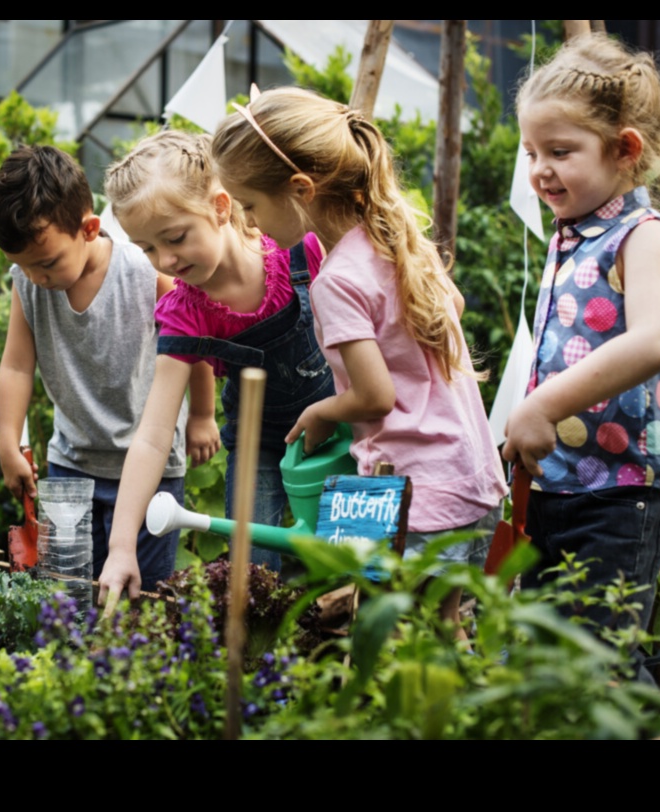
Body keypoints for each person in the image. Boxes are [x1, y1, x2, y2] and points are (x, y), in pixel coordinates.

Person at [211, 87, 508, 641]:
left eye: (249, 205)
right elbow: (454, 306)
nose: (249, 224)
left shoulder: (338, 280)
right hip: (470, 473)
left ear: (301, 189)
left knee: (397, 639)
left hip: (413, 493)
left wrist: (323, 409)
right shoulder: (395, 241)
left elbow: (373, 396)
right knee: (446, 630)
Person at [502, 34, 660, 644]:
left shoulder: (643, 234)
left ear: (624, 149)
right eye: (530, 152)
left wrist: (542, 405)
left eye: (559, 151)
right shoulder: (569, 234)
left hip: (621, 491)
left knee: (597, 661)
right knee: (550, 657)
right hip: (560, 481)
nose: (539, 170)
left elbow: (656, 339)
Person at [99, 131, 336, 602]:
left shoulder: (300, 250)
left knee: (351, 565)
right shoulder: (186, 311)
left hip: (344, 432)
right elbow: (151, 435)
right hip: (259, 447)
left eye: (175, 238)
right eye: (146, 248)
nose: (164, 260)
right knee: (250, 579)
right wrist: (121, 546)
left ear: (222, 207)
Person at [0, 145, 216, 597]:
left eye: (47, 262)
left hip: (151, 468)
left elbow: (194, 342)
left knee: (141, 598)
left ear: (89, 229)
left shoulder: (144, 273)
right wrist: (7, 439)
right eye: (23, 266)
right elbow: (16, 366)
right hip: (70, 465)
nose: (36, 277)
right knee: (67, 595)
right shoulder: (29, 286)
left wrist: (201, 416)